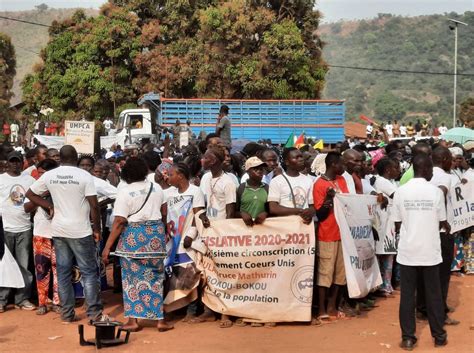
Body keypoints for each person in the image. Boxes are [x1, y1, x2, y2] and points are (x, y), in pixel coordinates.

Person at [26, 145, 107, 324]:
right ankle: (94, 313)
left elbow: (30, 194)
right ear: (76, 157)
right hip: (81, 230)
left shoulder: (50, 175)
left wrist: (48, 206)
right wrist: (97, 230)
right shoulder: (84, 175)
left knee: (62, 272)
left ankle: (67, 314)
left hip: (59, 230)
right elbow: (94, 205)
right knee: (88, 272)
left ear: (60, 158)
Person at [102, 157, 172, 332]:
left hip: (133, 238)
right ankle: (160, 320)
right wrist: (161, 232)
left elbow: (119, 221)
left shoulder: (124, 192)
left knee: (131, 280)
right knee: (156, 279)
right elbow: (164, 213)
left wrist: (107, 247)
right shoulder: (156, 188)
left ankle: (134, 321)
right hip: (155, 237)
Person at [392, 154, 448, 350]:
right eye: (431, 168)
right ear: (425, 169)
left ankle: (408, 338)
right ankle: (439, 336)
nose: (433, 172)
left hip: (408, 251)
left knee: (408, 296)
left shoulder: (400, 192)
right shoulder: (436, 192)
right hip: (430, 251)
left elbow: (397, 223)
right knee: (434, 295)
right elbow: (442, 221)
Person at [195, 145, 236, 327]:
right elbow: (204, 202)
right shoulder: (205, 178)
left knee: (223, 274)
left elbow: (230, 210)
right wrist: (203, 215)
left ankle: (225, 313)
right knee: (207, 273)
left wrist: (224, 232)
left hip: (221, 233)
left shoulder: (228, 182)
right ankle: (208, 311)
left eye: (207, 158)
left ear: (216, 161)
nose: (203, 161)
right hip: (207, 231)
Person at [164, 162, 208, 320]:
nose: (168, 177)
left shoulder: (195, 192)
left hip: (188, 240)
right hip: (173, 240)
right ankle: (178, 308)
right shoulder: (169, 193)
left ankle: (192, 309)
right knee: (175, 274)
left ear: (180, 176)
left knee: (190, 274)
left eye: (171, 174)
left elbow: (199, 215)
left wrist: (191, 234)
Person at [313, 152, 349, 324]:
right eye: (341, 163)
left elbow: (348, 202)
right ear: (333, 164)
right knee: (325, 273)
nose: (344, 167)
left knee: (339, 274)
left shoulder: (342, 180)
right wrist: (328, 198)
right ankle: (321, 308)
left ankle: (332, 306)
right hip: (327, 234)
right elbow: (320, 214)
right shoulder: (319, 184)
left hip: (343, 234)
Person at [0, 151, 37, 313]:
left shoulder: (29, 180)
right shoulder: (1, 179)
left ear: (23, 162)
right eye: (12, 161)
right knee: (5, 266)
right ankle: (2, 299)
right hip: (4, 229)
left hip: (24, 228)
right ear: (7, 163)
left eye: (17, 161)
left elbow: (37, 198)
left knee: (23, 266)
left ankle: (22, 298)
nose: (15, 164)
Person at [24, 159, 60, 315]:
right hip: (40, 234)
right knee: (41, 269)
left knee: (59, 270)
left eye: (44, 174)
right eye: (39, 173)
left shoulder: (61, 188)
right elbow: (26, 208)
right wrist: (39, 197)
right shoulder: (34, 188)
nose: (41, 177)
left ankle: (58, 302)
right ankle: (42, 302)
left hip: (59, 234)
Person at [268, 147, 314, 224]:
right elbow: (273, 208)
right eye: (296, 157)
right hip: (285, 226)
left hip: (304, 226)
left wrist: (310, 212)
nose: (300, 159)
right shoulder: (276, 181)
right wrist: (298, 211)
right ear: (287, 162)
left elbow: (312, 206)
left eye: (301, 156)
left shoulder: (308, 180)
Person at [236, 157, 269, 227]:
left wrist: (266, 213)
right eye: (255, 169)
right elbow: (234, 211)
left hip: (263, 228)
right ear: (247, 171)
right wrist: (242, 214)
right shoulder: (241, 188)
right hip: (245, 228)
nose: (259, 171)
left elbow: (271, 209)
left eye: (261, 169)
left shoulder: (266, 188)